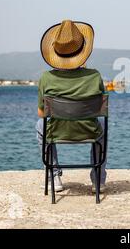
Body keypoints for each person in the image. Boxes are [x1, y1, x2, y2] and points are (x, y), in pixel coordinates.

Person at [36, 19, 107, 192]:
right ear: (82, 50)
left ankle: (54, 178)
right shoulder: (95, 75)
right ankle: (98, 180)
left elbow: (41, 114)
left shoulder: (46, 77)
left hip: (56, 131)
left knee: (40, 126)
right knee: (103, 124)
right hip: (88, 130)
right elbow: (100, 108)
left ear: (56, 52)